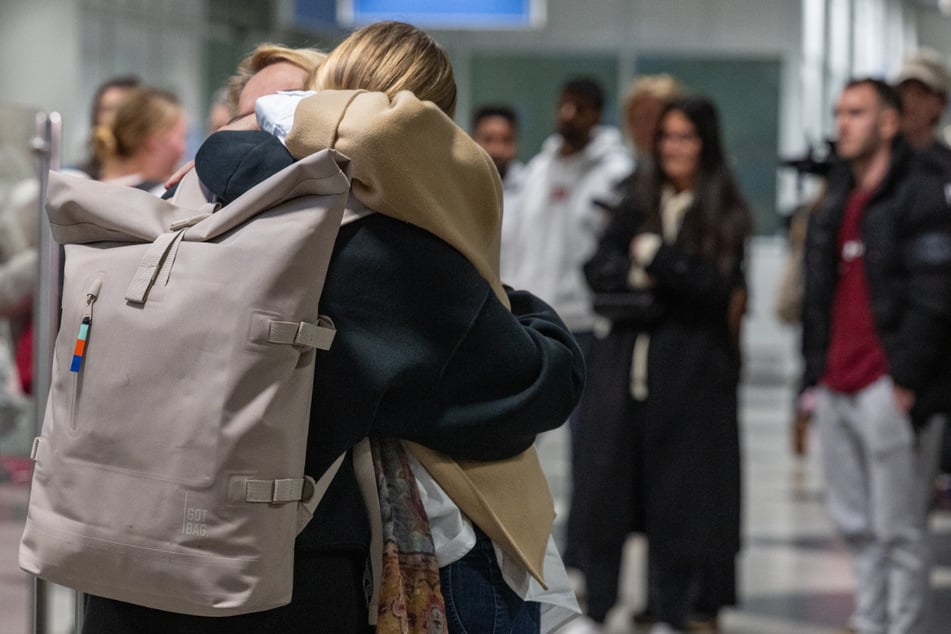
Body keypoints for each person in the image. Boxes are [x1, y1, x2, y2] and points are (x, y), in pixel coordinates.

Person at [83, 21, 585, 634]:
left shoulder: (189, 200)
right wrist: (508, 300)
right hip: (273, 581)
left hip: (127, 560)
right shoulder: (370, 249)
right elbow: (533, 382)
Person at [584, 95, 751, 634]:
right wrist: (649, 282)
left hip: (690, 383)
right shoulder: (638, 197)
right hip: (626, 376)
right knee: (608, 501)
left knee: (678, 510)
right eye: (668, 137)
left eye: (687, 137)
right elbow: (598, 269)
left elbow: (716, 286)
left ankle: (673, 613)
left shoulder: (723, 207)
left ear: (706, 144)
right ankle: (599, 608)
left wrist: (657, 258)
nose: (675, 147)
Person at [802, 77, 951, 634]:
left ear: (888, 123)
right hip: (837, 383)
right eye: (840, 112)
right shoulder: (836, 200)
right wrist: (812, 377)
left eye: (857, 113)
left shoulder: (920, 192)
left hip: (888, 386)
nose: (842, 123)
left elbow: (934, 294)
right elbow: (819, 297)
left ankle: (903, 625)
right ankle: (869, 619)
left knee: (900, 528)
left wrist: (905, 379)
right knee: (854, 522)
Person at [566, 74, 682, 630]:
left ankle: (663, 600)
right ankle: (601, 595)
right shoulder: (630, 187)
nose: (649, 131)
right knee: (602, 482)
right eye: (640, 119)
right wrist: (641, 280)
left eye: (659, 121)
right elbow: (600, 268)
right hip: (614, 353)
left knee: (666, 490)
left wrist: (649, 275)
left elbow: (690, 281)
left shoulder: (694, 193)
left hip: (671, 364)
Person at [503, 76, 632, 577]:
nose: (568, 115)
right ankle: (511, 533)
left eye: (579, 107)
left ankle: (583, 552)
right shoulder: (539, 168)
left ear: (598, 113)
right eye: (563, 105)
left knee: (590, 454)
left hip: (586, 329)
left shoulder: (616, 174)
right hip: (532, 323)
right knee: (512, 440)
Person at [92, 86, 187, 194]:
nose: (183, 150)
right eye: (182, 137)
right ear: (154, 139)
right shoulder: (162, 195)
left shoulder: (88, 190)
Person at [470, 104, 525, 279]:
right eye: (488, 139)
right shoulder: (457, 191)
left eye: (506, 140)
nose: (497, 150)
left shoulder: (531, 188)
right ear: (471, 140)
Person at [77, 75, 142, 180]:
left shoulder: (158, 180)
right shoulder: (79, 176)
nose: (108, 118)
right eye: (104, 109)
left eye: (119, 110)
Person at [893, 48, 951, 161]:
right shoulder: (875, 163)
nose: (908, 100)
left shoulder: (946, 167)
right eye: (903, 90)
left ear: (941, 103)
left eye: (920, 93)